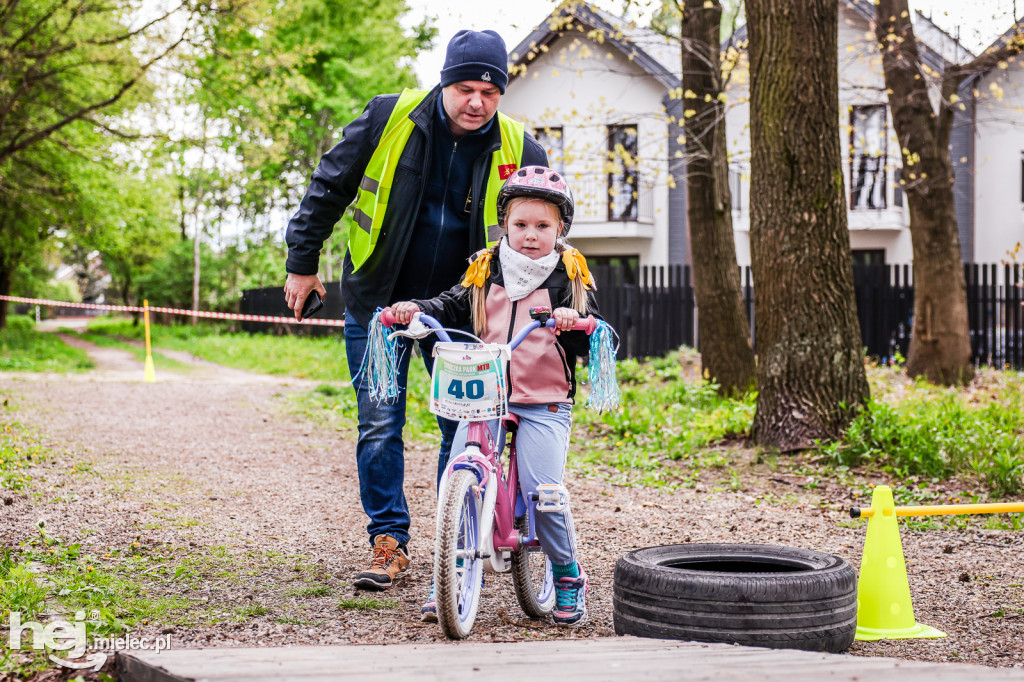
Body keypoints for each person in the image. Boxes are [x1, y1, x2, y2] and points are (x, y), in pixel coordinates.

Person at [283, 29, 548, 591]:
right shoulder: (389, 118)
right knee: (379, 421)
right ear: (445, 81)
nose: (477, 101)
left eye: (491, 91)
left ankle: (455, 536)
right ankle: (389, 541)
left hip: (460, 312)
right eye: (466, 87)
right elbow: (329, 186)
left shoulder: (521, 148)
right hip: (380, 301)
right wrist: (302, 263)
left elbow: (545, 236)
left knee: (463, 426)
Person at [390, 166, 596, 627]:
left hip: (543, 399)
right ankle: (449, 570)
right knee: (459, 474)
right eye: (520, 224)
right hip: (484, 393)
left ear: (560, 228)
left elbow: (590, 329)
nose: (529, 235)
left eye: (543, 226)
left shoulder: (570, 275)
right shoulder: (485, 268)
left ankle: (566, 575)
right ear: (505, 223)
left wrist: (574, 320)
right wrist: (417, 309)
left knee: (545, 494)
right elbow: (450, 303)